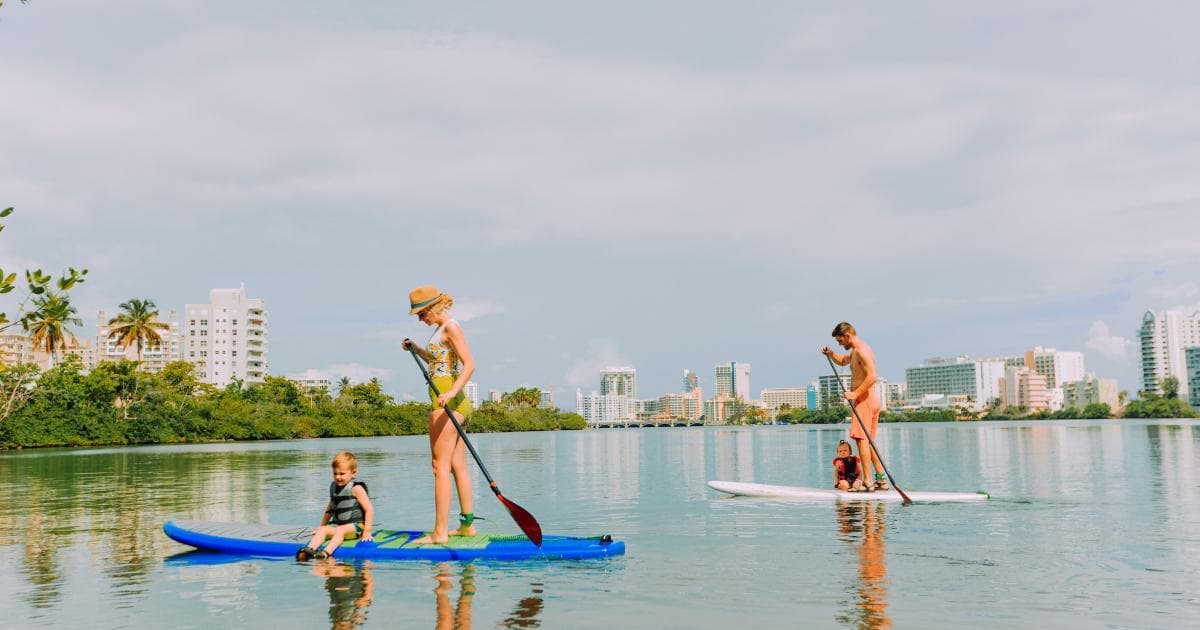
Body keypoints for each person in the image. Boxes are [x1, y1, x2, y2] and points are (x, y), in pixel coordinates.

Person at [402, 285, 477, 545]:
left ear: (433, 307)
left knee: (439, 467)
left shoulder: (451, 327)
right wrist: (416, 349)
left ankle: (440, 532)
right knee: (457, 465)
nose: (421, 319)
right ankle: (467, 527)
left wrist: (451, 392)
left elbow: (469, 364)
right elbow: (438, 364)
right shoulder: (440, 331)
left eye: (422, 314)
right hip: (455, 404)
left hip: (449, 403)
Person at [821, 322, 889, 491]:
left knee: (861, 441)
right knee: (869, 442)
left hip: (865, 401)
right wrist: (830, 354)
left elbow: (872, 376)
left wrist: (855, 394)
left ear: (848, 336)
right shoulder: (855, 352)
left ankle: (867, 481)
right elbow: (842, 361)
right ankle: (881, 480)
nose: (839, 344)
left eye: (840, 341)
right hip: (871, 400)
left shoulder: (862, 351)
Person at [296, 451, 375, 560]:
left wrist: (367, 532)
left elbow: (369, 509)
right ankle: (309, 550)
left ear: (353, 473)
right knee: (323, 530)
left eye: (342, 474)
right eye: (335, 473)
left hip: (356, 528)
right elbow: (329, 509)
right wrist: (321, 527)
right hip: (338, 526)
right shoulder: (334, 487)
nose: (338, 477)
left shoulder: (356, 489)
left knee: (340, 530)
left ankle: (326, 553)